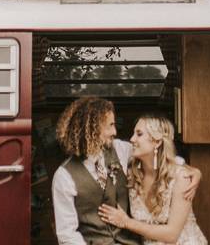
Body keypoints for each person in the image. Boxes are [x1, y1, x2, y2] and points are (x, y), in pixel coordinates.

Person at [51, 97, 201, 245]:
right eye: (110, 125)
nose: (114, 131)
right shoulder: (63, 176)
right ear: (92, 128)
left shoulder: (120, 150)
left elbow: (159, 156)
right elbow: (67, 235)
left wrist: (193, 171)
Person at [97, 115, 207, 245]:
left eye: (139, 134)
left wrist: (126, 222)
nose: (132, 139)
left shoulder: (180, 178)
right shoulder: (131, 173)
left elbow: (172, 234)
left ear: (157, 142)